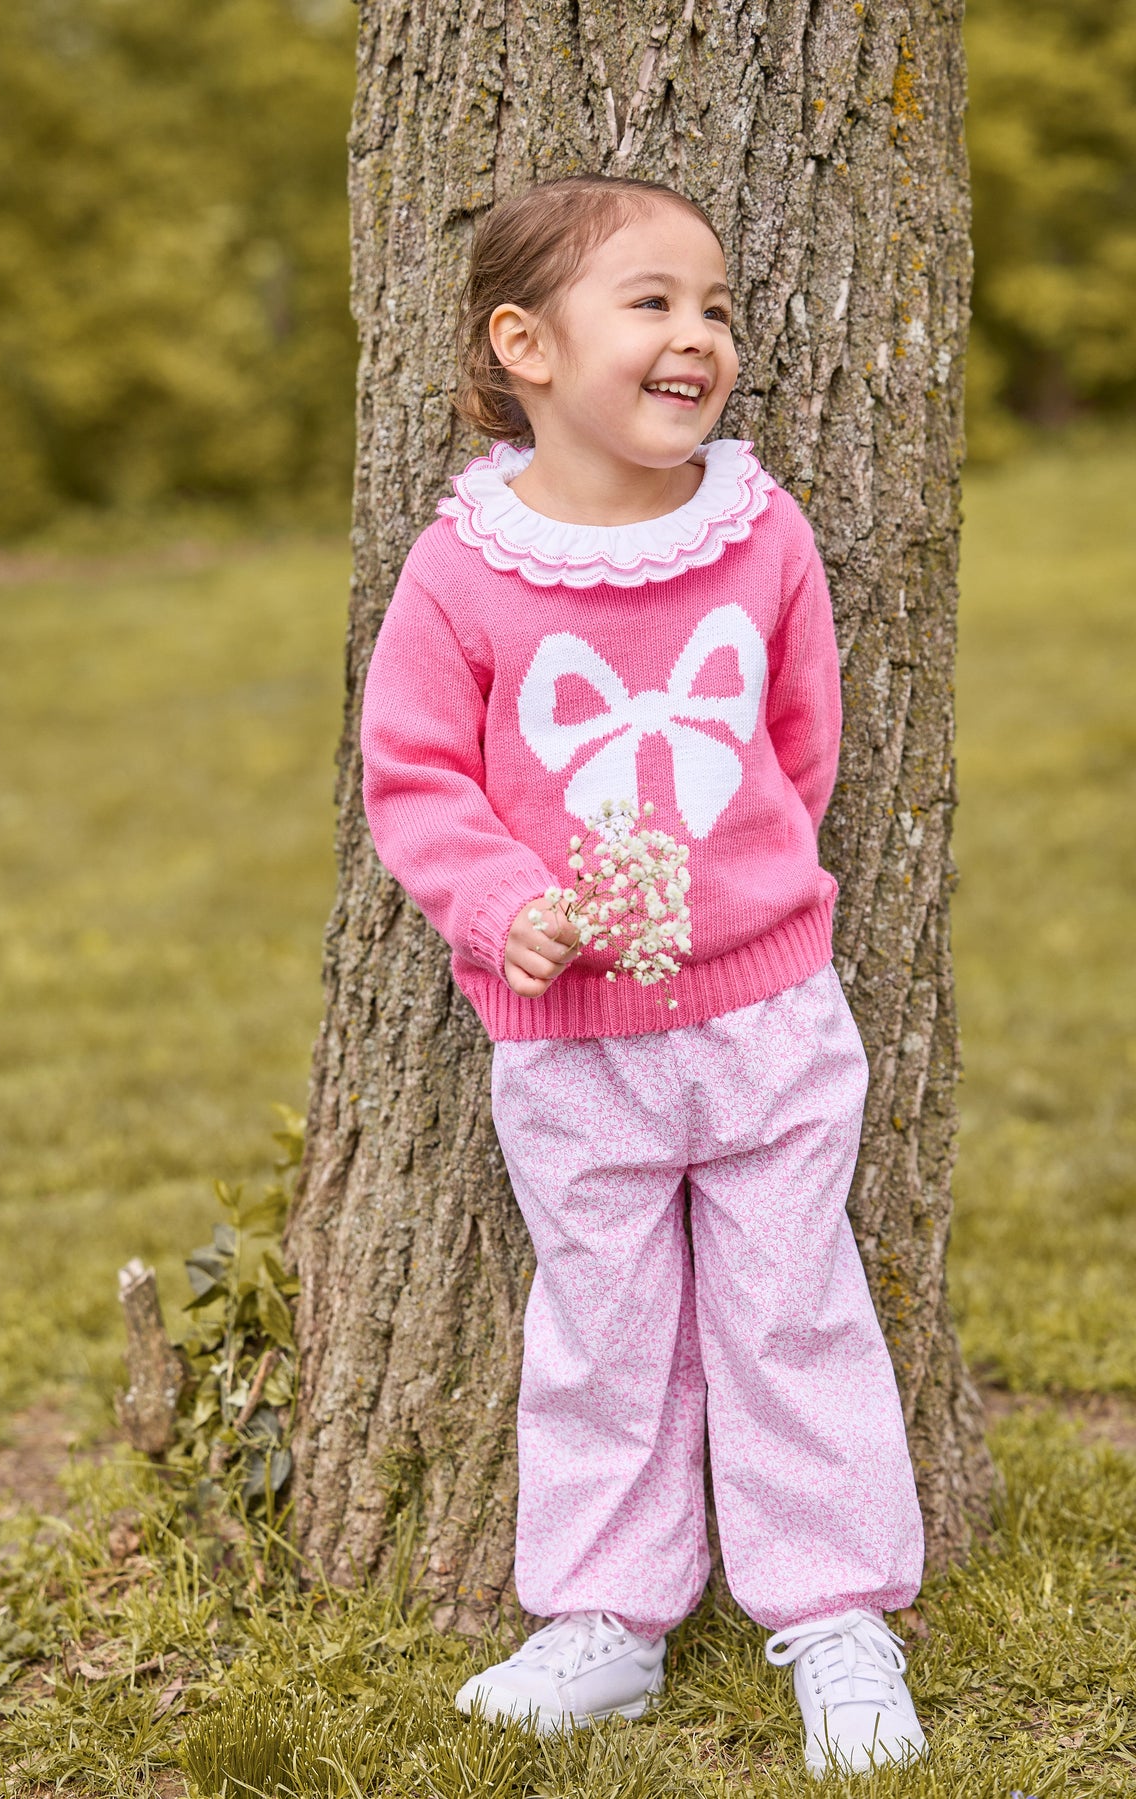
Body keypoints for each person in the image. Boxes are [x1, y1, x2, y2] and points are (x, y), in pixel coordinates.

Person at [358, 173, 928, 1779]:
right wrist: (503, 903)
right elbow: (415, 776)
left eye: (718, 308)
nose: (698, 337)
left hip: (764, 1019)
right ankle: (607, 1619)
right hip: (565, 1040)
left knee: (791, 1309)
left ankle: (834, 1614)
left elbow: (795, 742)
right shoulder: (467, 568)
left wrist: (739, 897)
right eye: (654, 303)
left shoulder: (759, 534)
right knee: (602, 1328)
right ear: (526, 345)